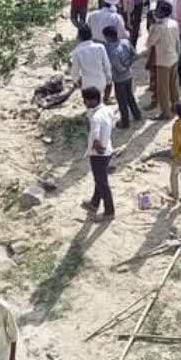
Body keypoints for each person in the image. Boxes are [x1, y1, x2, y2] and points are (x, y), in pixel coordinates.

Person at [81, 86, 116, 220]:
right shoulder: (107, 110)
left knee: (102, 183)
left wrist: (97, 145)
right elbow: (113, 123)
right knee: (99, 179)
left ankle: (109, 212)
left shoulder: (95, 117)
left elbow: (94, 134)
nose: (85, 103)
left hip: (99, 154)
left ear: (93, 100)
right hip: (108, 150)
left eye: (86, 100)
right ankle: (94, 203)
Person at [103, 25, 142, 128]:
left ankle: (125, 122)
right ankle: (137, 114)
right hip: (129, 75)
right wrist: (129, 64)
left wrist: (125, 66)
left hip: (119, 78)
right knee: (130, 96)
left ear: (108, 37)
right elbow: (135, 55)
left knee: (122, 101)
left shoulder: (112, 51)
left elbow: (119, 68)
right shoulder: (125, 42)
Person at [148, 0, 180, 119]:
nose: (156, 11)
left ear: (162, 12)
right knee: (173, 85)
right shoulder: (174, 23)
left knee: (163, 89)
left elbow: (149, 42)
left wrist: (152, 26)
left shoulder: (158, 27)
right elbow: (177, 40)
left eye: (158, 10)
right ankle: (176, 107)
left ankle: (165, 112)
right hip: (173, 57)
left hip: (163, 61)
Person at [70, 24, 111, 96]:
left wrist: (76, 81)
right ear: (91, 35)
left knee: (91, 104)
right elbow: (107, 65)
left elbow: (74, 71)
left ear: (79, 37)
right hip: (101, 81)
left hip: (87, 84)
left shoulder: (76, 51)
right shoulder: (100, 47)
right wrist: (108, 79)